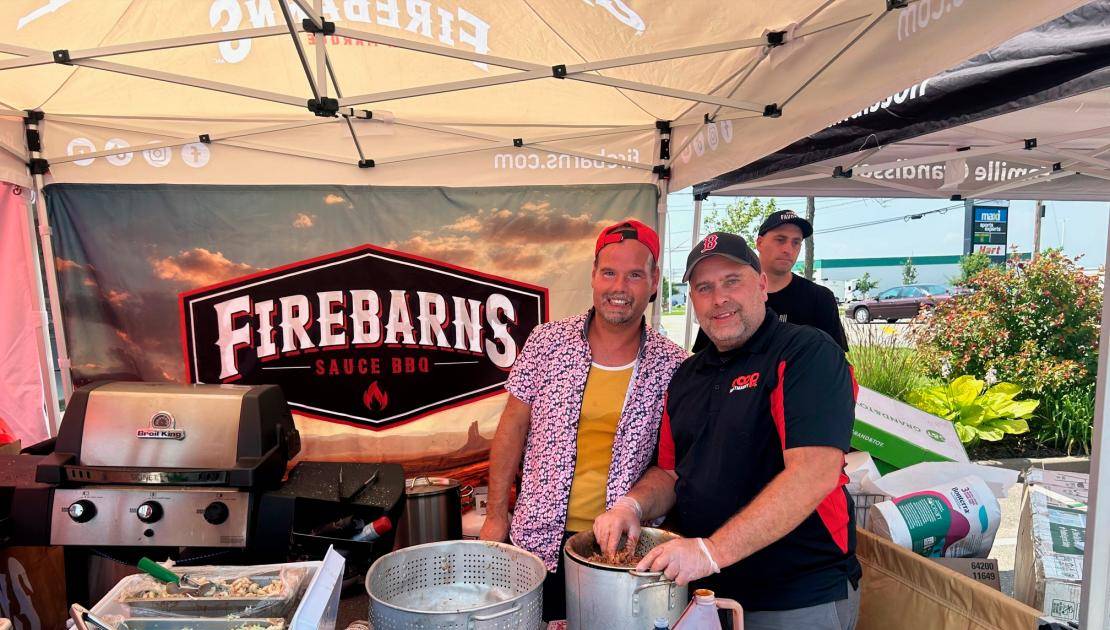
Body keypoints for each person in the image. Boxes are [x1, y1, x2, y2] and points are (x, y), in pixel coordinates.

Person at [595, 232, 860, 630]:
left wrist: (712, 550)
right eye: (704, 288)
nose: (719, 298)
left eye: (731, 281)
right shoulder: (687, 375)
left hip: (795, 598)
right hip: (705, 595)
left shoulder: (806, 352)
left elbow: (814, 473)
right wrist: (630, 505)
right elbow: (671, 473)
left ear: (762, 284)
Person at [479, 219, 687, 622]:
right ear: (593, 275)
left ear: (654, 280)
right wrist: (495, 516)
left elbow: (671, 467)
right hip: (535, 539)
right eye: (609, 272)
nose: (619, 288)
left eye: (634, 275)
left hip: (619, 551)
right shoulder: (546, 342)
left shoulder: (674, 365)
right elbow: (512, 430)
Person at [692, 209, 848, 353]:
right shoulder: (727, 299)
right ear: (759, 243)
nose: (788, 249)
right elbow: (705, 358)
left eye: (796, 242)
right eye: (780, 240)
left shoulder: (820, 298)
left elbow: (836, 360)